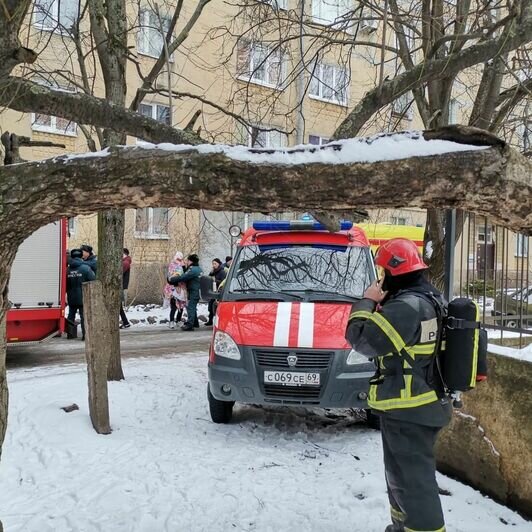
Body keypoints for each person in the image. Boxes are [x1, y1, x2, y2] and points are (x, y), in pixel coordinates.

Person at [345, 238, 452, 532]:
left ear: (394, 271)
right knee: (401, 478)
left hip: (410, 408)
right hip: (419, 405)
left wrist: (367, 300)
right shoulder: (431, 298)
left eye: (383, 271)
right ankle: (401, 527)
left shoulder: (408, 306)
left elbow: (361, 337)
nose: (381, 277)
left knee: (414, 484)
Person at [67, 248, 96, 340]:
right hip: (84, 297)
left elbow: (65, 284)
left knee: (71, 315)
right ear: (81, 256)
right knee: (84, 316)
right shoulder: (86, 268)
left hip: (71, 297)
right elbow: (93, 281)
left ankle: (70, 334)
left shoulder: (67, 270)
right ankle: (85, 335)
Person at [168, 253, 202, 331]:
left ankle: (190, 325)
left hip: (193, 291)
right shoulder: (198, 268)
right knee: (193, 307)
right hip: (196, 291)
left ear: (191, 261)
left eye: (188, 260)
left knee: (190, 307)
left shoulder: (192, 269)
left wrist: (172, 279)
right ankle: (195, 323)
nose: (187, 262)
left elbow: (184, 277)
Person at [164, 252, 187, 329]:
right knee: (174, 306)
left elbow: (185, 274)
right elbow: (170, 277)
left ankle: (178, 320)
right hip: (173, 289)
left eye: (180, 258)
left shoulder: (183, 265)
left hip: (181, 289)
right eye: (178, 258)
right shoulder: (172, 265)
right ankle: (171, 321)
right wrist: (176, 283)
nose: (179, 260)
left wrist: (184, 267)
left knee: (181, 306)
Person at [206, 258, 227, 326]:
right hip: (212, 290)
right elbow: (209, 278)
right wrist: (211, 274)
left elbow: (223, 282)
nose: (214, 265)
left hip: (218, 291)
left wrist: (215, 280)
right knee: (210, 306)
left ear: (218, 264)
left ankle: (219, 321)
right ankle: (210, 320)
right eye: (213, 264)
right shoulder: (213, 271)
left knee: (216, 307)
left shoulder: (222, 271)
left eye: (215, 264)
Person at [120, 248, 132, 329]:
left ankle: (126, 322)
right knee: (119, 306)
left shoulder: (125, 262)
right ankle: (126, 322)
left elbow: (119, 271)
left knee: (118, 306)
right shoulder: (125, 261)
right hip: (121, 286)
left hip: (120, 286)